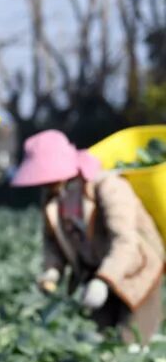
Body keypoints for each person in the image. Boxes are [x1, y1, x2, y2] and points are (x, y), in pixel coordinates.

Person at [11, 129, 164, 345]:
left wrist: (104, 281)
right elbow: (52, 242)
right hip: (94, 272)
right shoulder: (53, 198)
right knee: (96, 343)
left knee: (130, 343)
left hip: (136, 271)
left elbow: (126, 242)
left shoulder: (109, 187)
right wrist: (52, 272)